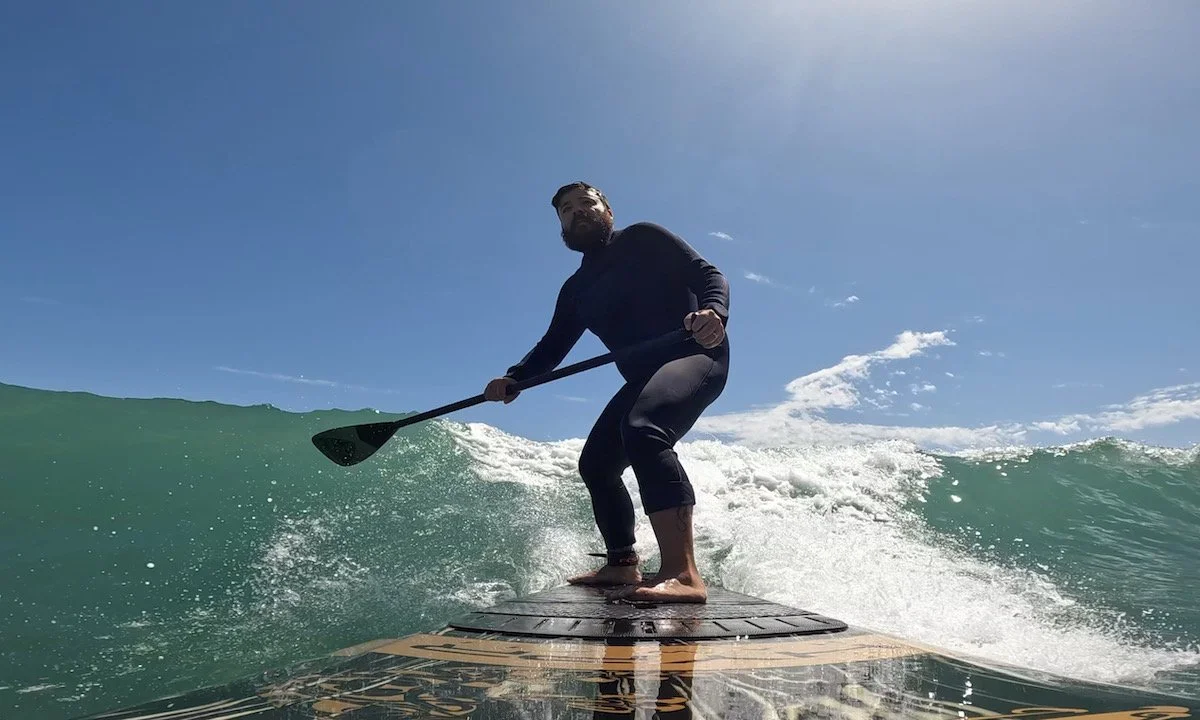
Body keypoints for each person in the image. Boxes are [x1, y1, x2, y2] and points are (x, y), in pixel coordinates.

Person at [483, 181, 730, 603]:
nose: (577, 212)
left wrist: (714, 312)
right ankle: (621, 564)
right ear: (560, 226)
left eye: (586, 203)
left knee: (643, 427)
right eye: (565, 210)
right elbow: (552, 347)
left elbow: (709, 275)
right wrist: (515, 377)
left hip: (696, 353)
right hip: (641, 378)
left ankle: (684, 575)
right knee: (596, 464)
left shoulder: (643, 238)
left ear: (607, 210)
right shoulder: (575, 290)